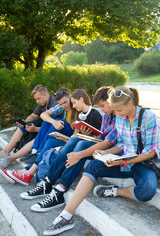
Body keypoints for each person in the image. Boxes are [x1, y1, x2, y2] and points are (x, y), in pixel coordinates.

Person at [41, 86, 160, 236]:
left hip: (141, 163)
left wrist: (122, 162)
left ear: (130, 103)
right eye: (115, 111)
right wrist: (106, 152)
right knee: (93, 165)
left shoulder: (148, 118)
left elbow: (150, 152)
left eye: (119, 111)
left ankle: (114, 191)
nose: (117, 115)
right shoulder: (120, 118)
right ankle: (66, 216)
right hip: (123, 160)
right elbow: (121, 144)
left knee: (147, 190)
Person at [19, 86, 117, 214]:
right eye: (101, 106)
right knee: (73, 141)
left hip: (106, 150)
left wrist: (81, 149)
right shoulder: (107, 116)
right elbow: (101, 136)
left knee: (80, 145)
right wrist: (85, 135)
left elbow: (106, 142)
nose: (102, 109)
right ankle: (48, 182)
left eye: (103, 106)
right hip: (95, 143)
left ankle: (59, 190)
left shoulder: (112, 116)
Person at [0, 88, 102, 185]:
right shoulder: (76, 110)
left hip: (78, 143)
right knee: (50, 141)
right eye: (62, 104)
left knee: (56, 125)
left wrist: (80, 134)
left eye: (70, 103)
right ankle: (29, 166)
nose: (71, 105)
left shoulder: (85, 112)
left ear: (79, 100)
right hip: (71, 139)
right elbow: (74, 134)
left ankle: (27, 171)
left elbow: (83, 135)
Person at [0, 87, 73, 169]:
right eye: (61, 104)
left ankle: (36, 153)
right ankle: (32, 151)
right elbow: (39, 115)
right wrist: (26, 123)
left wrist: (35, 129)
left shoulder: (59, 103)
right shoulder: (59, 105)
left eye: (38, 98)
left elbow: (56, 126)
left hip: (63, 132)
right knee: (45, 121)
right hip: (52, 128)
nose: (63, 105)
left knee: (52, 122)